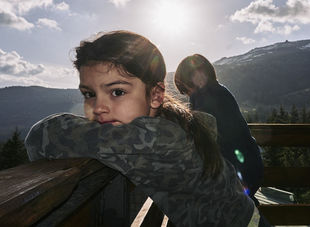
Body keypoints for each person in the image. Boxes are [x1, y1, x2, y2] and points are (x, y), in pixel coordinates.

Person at [24, 31, 270, 227]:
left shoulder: (155, 138)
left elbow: (41, 136)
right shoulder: (175, 123)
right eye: (89, 94)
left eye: (117, 92)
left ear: (155, 95)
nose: (98, 107)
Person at [174, 54, 264, 206]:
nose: (187, 95)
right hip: (250, 166)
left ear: (197, 80)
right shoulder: (220, 91)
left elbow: (200, 138)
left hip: (235, 172)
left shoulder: (204, 98)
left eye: (186, 89)